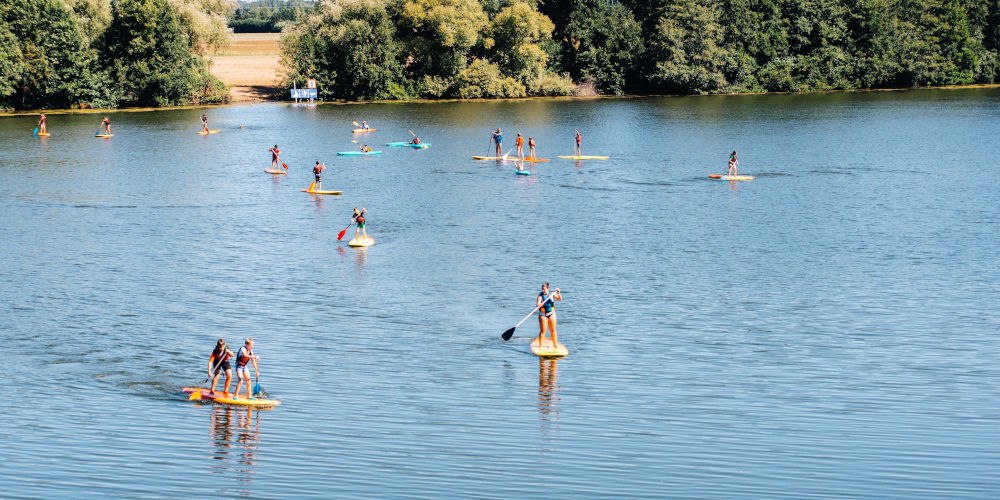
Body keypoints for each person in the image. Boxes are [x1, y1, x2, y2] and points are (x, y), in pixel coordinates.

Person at [536, 283, 562, 349]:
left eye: (544, 289)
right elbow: (537, 304)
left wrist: (558, 293)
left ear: (548, 289)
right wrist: (540, 304)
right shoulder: (540, 296)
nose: (543, 291)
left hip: (552, 314)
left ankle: (555, 345)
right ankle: (540, 346)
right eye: (542, 289)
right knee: (543, 331)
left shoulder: (552, 294)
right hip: (543, 314)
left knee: (553, 330)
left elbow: (559, 299)